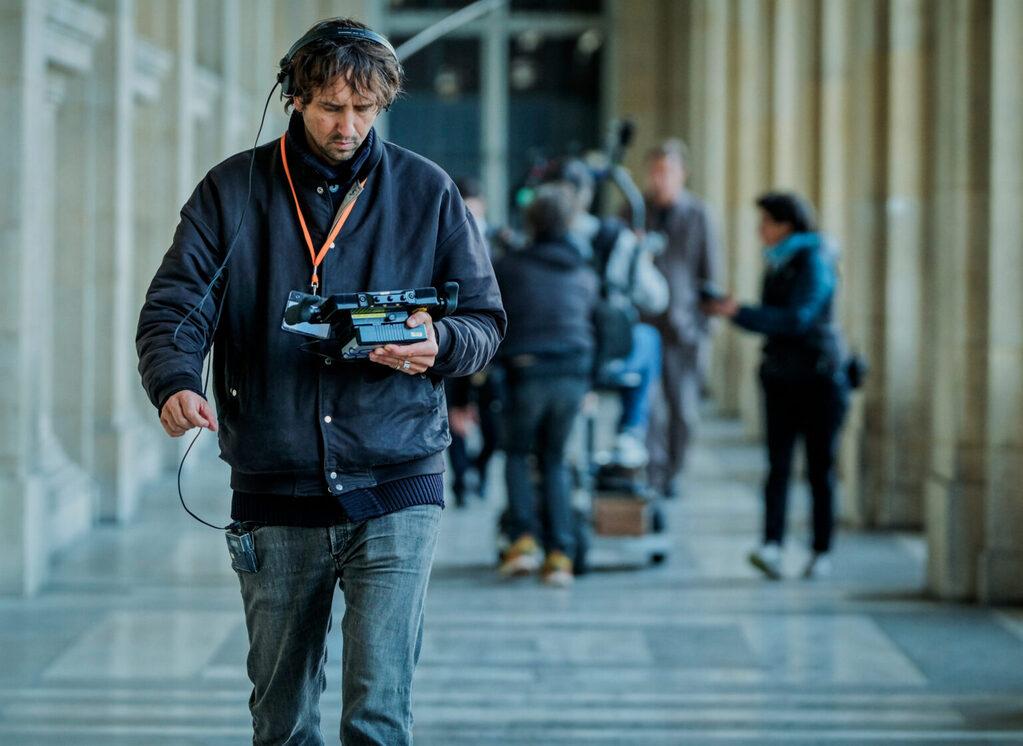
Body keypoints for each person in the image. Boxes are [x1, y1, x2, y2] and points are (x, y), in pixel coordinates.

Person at [136, 18, 505, 745]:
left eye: (365, 109)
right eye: (332, 106)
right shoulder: (232, 190)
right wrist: (174, 380)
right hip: (275, 485)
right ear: (293, 96)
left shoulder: (427, 192)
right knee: (281, 719)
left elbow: (486, 324)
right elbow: (177, 305)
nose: (349, 125)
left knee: (378, 715)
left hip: (399, 478)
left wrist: (438, 343)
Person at [703, 192, 849, 580]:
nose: (759, 231)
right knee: (778, 466)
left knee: (820, 468)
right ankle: (772, 545)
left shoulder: (814, 260)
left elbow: (798, 318)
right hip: (782, 376)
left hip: (819, 379)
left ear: (787, 225)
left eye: (765, 222)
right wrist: (737, 313)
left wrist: (742, 313)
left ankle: (821, 549)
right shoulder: (779, 262)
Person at [494, 184, 599, 586]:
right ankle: (561, 555)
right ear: (570, 224)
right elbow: (599, 322)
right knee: (555, 459)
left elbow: (494, 322)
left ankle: (522, 540)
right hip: (573, 373)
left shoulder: (510, 266)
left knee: (518, 454)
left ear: (530, 222)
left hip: (526, 373)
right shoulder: (584, 272)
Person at [552, 159, 668, 468]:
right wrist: (642, 257)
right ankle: (630, 431)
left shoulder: (533, 239)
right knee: (649, 338)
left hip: (554, 354)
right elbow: (657, 298)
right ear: (586, 194)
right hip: (606, 353)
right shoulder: (617, 239)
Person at [641, 139, 720, 498]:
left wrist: (706, 325)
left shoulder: (699, 214)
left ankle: (674, 469)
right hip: (645, 325)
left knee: (683, 410)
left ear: (682, 174)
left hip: (684, 328)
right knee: (651, 409)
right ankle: (655, 473)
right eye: (655, 172)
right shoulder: (636, 211)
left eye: (667, 172)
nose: (660, 179)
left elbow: (711, 273)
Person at [445, 176, 504, 505]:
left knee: (494, 429)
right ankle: (461, 483)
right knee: (455, 421)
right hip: (455, 342)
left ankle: (478, 471)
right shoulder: (445, 244)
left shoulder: (500, 247)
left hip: (490, 352)